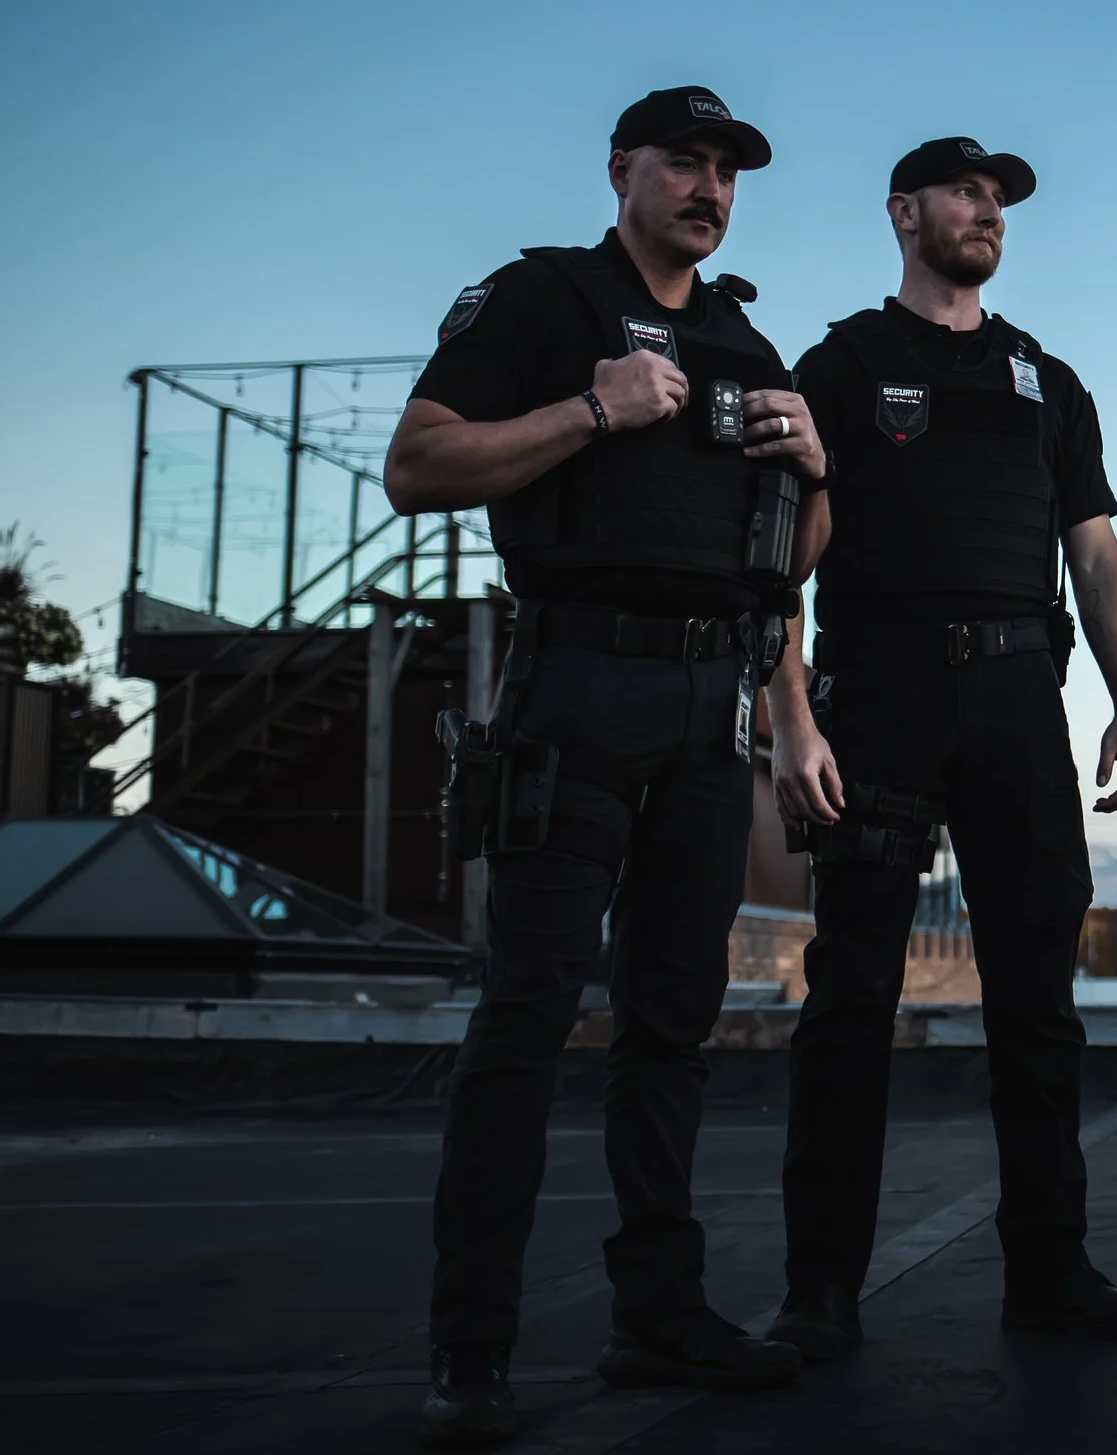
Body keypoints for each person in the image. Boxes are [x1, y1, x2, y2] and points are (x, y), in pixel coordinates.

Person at [384, 86, 829, 1445]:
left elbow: (779, 570)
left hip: (709, 714)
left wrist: (818, 480)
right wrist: (592, 402)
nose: (708, 187)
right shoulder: (542, 300)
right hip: (576, 688)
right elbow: (417, 466)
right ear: (622, 170)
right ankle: (472, 1347)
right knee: (524, 1020)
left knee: (671, 1030)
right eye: (682, 164)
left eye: (726, 171)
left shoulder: (742, 336)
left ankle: (659, 1315)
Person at [764, 136, 1117, 1359]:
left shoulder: (1047, 379)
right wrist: (790, 714)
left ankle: (1050, 1274)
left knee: (1036, 1002)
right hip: (876, 694)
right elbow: (779, 552)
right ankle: (819, 1290)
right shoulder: (840, 364)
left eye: (999, 199)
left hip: (1017, 703)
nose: (988, 210)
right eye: (966, 191)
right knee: (850, 999)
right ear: (904, 211)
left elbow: (1092, 549)